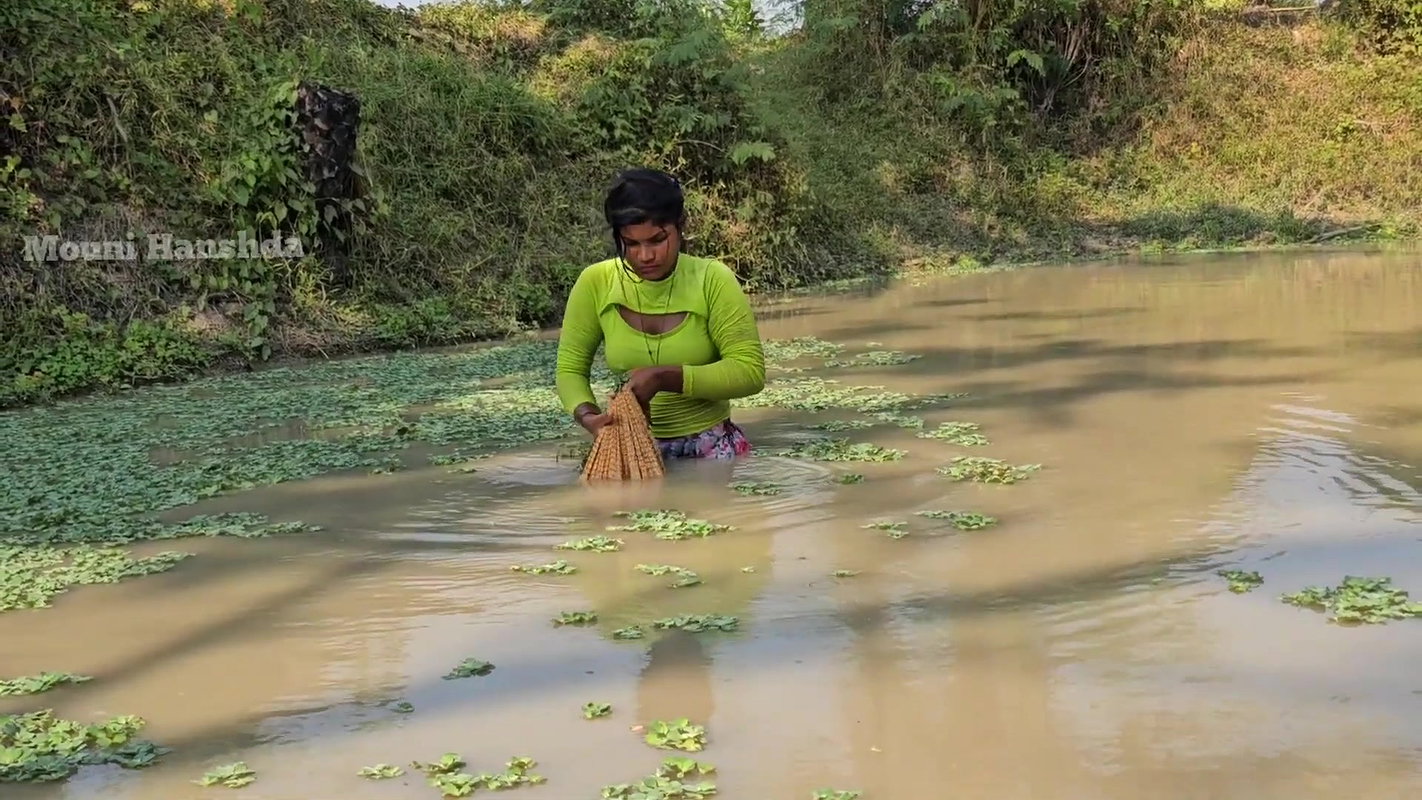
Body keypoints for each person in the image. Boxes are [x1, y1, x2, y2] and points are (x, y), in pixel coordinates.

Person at [554, 167, 765, 460]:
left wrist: (664, 378)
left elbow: (749, 372)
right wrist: (589, 416)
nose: (645, 255)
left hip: (711, 451)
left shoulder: (712, 280)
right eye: (631, 244)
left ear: (680, 226)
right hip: (629, 449)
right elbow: (570, 371)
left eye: (656, 240)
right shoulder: (596, 283)